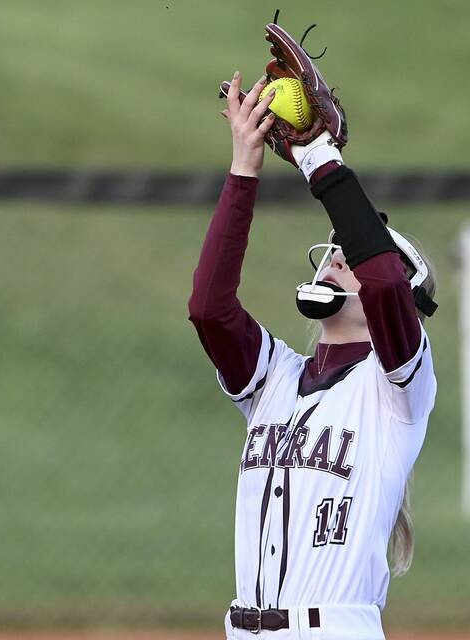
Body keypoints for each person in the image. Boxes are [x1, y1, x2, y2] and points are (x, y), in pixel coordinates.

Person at [188, 72, 438, 640]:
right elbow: (209, 308)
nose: (338, 256)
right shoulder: (273, 377)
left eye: (355, 253)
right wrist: (243, 167)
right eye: (337, 249)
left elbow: (381, 283)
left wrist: (319, 158)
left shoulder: (397, 389)